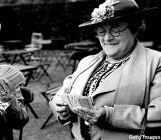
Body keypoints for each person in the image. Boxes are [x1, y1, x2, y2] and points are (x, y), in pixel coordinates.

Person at [49, 0, 161, 139]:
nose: (107, 38)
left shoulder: (156, 62)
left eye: (115, 29)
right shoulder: (87, 62)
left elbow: (158, 113)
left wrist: (109, 115)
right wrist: (59, 107)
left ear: (135, 28)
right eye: (101, 31)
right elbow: (61, 94)